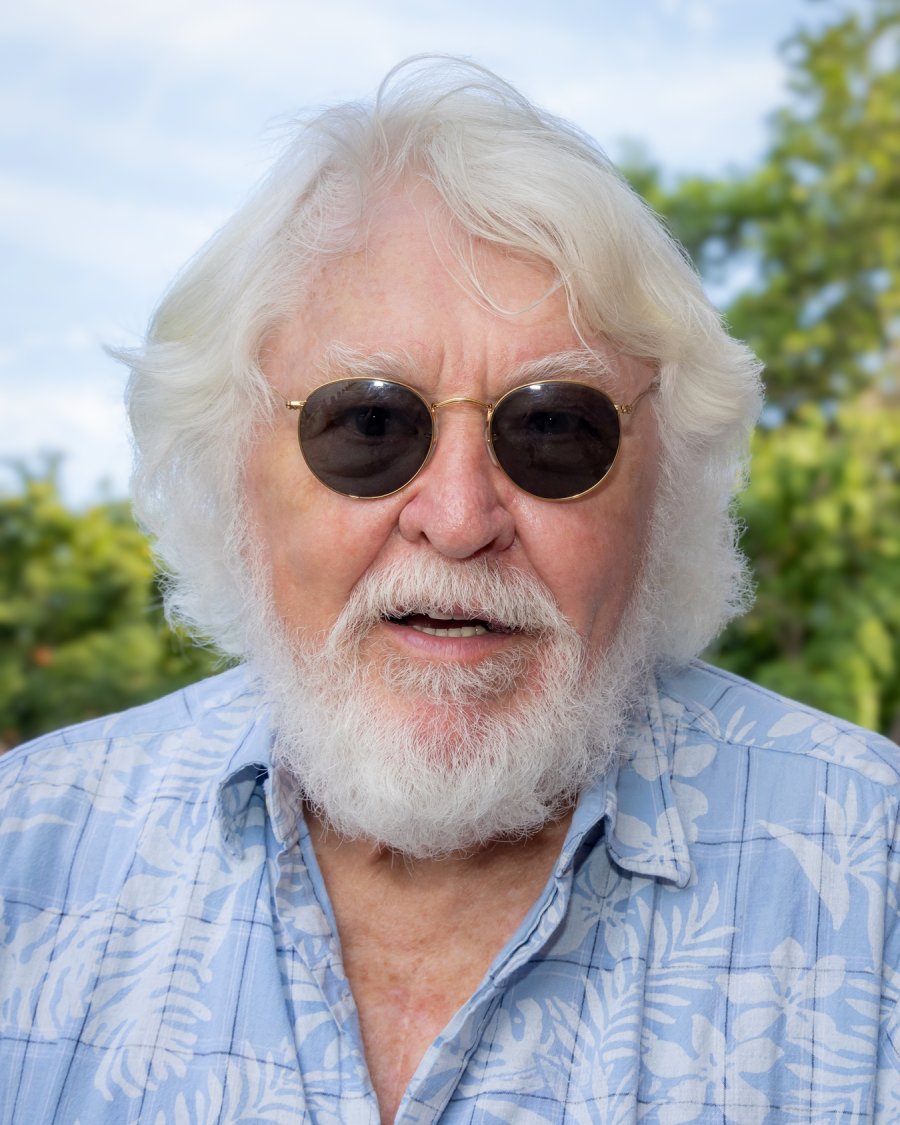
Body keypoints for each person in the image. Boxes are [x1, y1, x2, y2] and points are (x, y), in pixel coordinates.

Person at [1, 57, 897, 1125]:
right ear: (233, 470)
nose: (462, 518)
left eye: (554, 428)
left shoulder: (876, 877)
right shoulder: (26, 852)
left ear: (667, 494)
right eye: (369, 424)